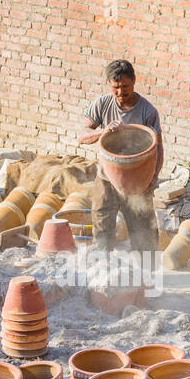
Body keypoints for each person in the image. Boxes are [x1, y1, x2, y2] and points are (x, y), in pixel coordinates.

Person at [77, 59, 164, 254]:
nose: (120, 92)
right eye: (115, 87)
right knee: (101, 223)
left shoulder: (147, 111)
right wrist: (103, 132)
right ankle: (103, 269)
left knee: (143, 227)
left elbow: (159, 148)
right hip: (107, 177)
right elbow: (82, 136)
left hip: (138, 180)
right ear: (110, 84)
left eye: (125, 87)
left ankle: (146, 276)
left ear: (134, 81)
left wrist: (154, 176)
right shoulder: (102, 104)